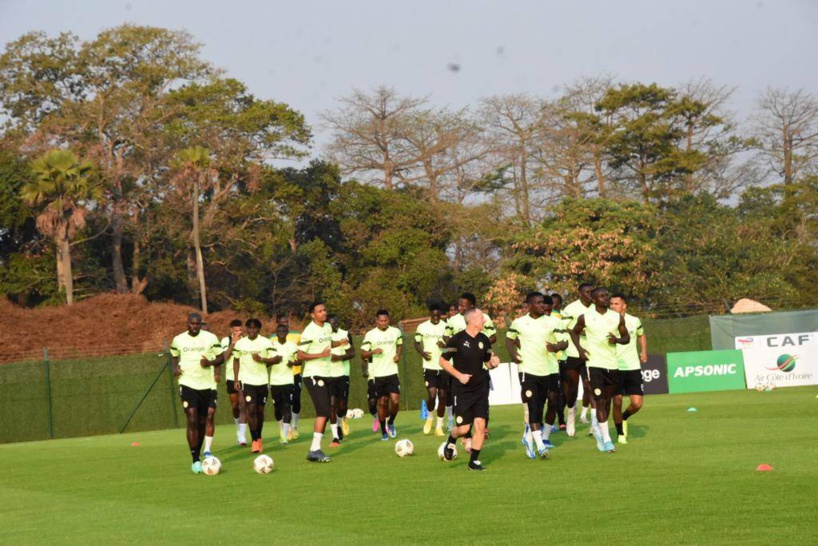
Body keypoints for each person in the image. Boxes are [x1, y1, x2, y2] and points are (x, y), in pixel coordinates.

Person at [506, 292, 568, 459]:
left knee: (541, 406)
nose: (542, 305)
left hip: (546, 370)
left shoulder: (553, 321)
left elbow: (565, 342)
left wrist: (556, 347)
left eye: (543, 303)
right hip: (527, 369)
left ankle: (529, 437)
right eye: (538, 303)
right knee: (533, 405)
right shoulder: (519, 322)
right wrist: (513, 354)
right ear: (529, 305)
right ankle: (540, 445)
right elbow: (509, 339)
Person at [439, 308, 501, 471]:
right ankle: (452, 439)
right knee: (464, 429)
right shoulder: (456, 339)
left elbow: (487, 362)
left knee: (480, 425)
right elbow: (443, 361)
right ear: (472, 320)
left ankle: (473, 462)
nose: (485, 320)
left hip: (481, 389)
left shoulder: (484, 339)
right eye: (482, 318)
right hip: (462, 390)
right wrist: (459, 376)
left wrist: (493, 363)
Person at [569, 288, 629, 453]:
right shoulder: (585, 317)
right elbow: (573, 332)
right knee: (600, 401)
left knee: (607, 401)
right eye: (601, 296)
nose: (605, 298)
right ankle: (607, 440)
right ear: (594, 300)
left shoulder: (616, 317)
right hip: (594, 365)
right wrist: (580, 350)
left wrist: (616, 340)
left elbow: (626, 338)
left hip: (612, 365)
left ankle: (597, 428)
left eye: (606, 295)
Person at [170, 312, 225, 474]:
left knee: (202, 421)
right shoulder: (178, 339)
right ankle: (195, 458)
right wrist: (174, 368)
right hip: (187, 383)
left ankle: (199, 450)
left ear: (201, 324)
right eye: (192, 323)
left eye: (197, 324)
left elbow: (221, 358)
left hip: (206, 385)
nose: (194, 326)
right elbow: (174, 356)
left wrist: (210, 362)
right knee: (192, 418)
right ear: (187, 323)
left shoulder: (210, 338)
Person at [444, 292, 497, 443]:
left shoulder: (484, 319)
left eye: (463, 305)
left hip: (480, 370)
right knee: (463, 409)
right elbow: (446, 337)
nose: (459, 308)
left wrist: (481, 348)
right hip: (461, 370)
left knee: (482, 403)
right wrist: (458, 348)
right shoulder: (453, 321)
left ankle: (480, 430)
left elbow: (493, 336)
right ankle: (465, 436)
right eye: (459, 305)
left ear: (472, 306)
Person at [298, 301, 344, 462]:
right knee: (323, 411)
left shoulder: (327, 327)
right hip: (313, 375)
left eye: (325, 310)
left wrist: (339, 343)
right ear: (313, 315)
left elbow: (327, 343)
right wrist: (321, 355)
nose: (324, 313)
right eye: (320, 311)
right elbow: (300, 355)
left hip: (327, 374)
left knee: (328, 410)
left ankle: (314, 450)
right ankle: (315, 449)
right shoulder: (309, 331)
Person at [233, 318, 278, 454]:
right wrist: (236, 379)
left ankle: (259, 437)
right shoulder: (240, 343)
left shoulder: (266, 342)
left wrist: (262, 359)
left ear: (259, 329)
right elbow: (236, 360)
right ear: (246, 329)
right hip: (247, 381)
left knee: (259, 411)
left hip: (262, 381)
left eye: (254, 328)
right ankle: (254, 440)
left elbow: (277, 358)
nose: (252, 330)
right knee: (251, 409)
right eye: (249, 328)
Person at [609, 294, 648, 445]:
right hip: (615, 367)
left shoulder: (634, 321)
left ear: (624, 306)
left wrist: (644, 351)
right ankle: (620, 433)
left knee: (637, 404)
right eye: (611, 304)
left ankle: (624, 417)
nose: (613, 306)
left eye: (616, 304)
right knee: (617, 401)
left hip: (633, 367)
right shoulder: (606, 322)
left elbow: (641, 334)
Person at [360, 310, 403, 441]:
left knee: (395, 400)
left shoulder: (396, 332)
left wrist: (397, 355)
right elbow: (362, 354)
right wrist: (373, 351)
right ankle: (384, 432)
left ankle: (391, 422)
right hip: (378, 375)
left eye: (385, 320)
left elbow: (400, 344)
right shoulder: (371, 335)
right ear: (376, 321)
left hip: (392, 372)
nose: (383, 323)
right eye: (381, 321)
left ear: (388, 320)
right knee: (382, 403)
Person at [559, 283, 594, 437]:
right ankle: (571, 414)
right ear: (580, 293)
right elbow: (565, 327)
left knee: (590, 387)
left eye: (591, 291)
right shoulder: (571, 308)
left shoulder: (597, 308)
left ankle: (594, 424)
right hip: (573, 353)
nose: (590, 294)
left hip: (592, 354)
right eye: (587, 292)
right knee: (572, 390)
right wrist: (580, 330)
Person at [414, 303, 448, 436]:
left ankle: (439, 426)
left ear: (441, 315)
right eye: (433, 315)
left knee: (443, 397)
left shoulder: (446, 326)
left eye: (438, 315)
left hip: (444, 366)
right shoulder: (422, 327)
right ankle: (430, 418)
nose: (436, 317)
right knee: (432, 395)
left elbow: (452, 345)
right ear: (430, 314)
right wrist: (423, 353)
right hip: (429, 367)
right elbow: (416, 343)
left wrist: (444, 345)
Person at [328, 315, 355, 446]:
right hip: (328, 376)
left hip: (343, 374)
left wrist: (339, 357)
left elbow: (352, 353)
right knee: (332, 405)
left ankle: (341, 420)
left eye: (335, 323)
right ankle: (335, 436)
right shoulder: (322, 336)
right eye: (331, 323)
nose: (334, 325)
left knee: (342, 406)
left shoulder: (345, 334)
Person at [270, 323, 299, 444]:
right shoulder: (271, 346)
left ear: (287, 333)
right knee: (277, 408)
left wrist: (292, 363)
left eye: (284, 332)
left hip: (288, 381)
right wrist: (273, 360)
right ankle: (281, 429)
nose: (281, 334)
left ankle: (286, 435)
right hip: (275, 381)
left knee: (287, 406)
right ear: (276, 334)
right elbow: (266, 362)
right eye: (279, 332)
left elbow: (300, 360)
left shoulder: (293, 346)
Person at [221, 319, 248, 446]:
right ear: (231, 330)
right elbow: (224, 357)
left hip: (244, 377)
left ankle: (242, 435)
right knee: (235, 405)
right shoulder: (225, 340)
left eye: (240, 330)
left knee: (243, 405)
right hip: (231, 377)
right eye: (236, 330)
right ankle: (238, 429)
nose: (238, 332)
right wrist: (233, 343)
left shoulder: (247, 340)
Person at [276, 312, 303, 440]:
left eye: (286, 322)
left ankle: (294, 426)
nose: (285, 324)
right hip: (279, 377)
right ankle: (283, 430)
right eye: (282, 322)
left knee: (296, 401)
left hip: (295, 373)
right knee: (281, 404)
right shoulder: (272, 339)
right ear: (278, 324)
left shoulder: (297, 336)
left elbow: (302, 352)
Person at [550, 293, 568, 431]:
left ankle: (560, 418)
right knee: (556, 392)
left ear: (559, 304)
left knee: (563, 392)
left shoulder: (560, 316)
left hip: (562, 357)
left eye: (555, 303)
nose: (552, 305)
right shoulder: (553, 316)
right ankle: (560, 420)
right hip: (552, 359)